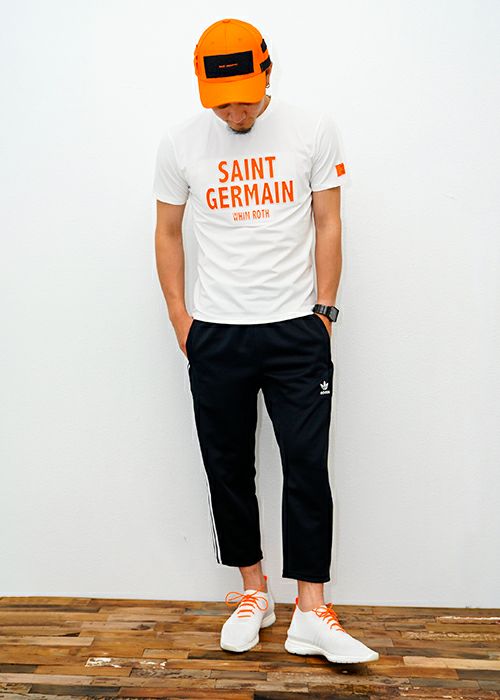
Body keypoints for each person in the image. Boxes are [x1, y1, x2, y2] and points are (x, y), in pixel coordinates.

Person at [153, 17, 379, 664]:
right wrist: (181, 319)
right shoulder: (180, 143)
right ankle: (254, 593)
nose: (236, 112)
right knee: (228, 467)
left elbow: (328, 221)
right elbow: (167, 232)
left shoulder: (312, 129)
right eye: (222, 103)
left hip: (295, 331)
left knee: (307, 466)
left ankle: (311, 609)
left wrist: (324, 312)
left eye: (246, 99)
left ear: (268, 72)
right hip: (217, 333)